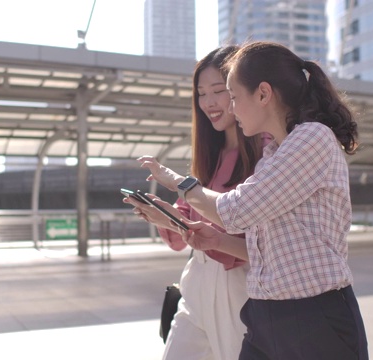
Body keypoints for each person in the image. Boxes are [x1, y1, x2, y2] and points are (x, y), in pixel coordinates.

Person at [137, 41, 369, 359]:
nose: (228, 107)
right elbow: (262, 246)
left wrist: (175, 180)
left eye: (232, 96)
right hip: (265, 313)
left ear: (262, 94)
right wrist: (215, 239)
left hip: (314, 316)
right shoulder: (274, 153)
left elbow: (237, 209)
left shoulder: (312, 138)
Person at [124, 45, 265, 360]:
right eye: (201, 94)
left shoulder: (266, 154)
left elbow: (259, 238)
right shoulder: (209, 158)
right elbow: (183, 231)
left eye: (219, 91)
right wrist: (164, 215)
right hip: (197, 281)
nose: (209, 103)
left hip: (238, 287)